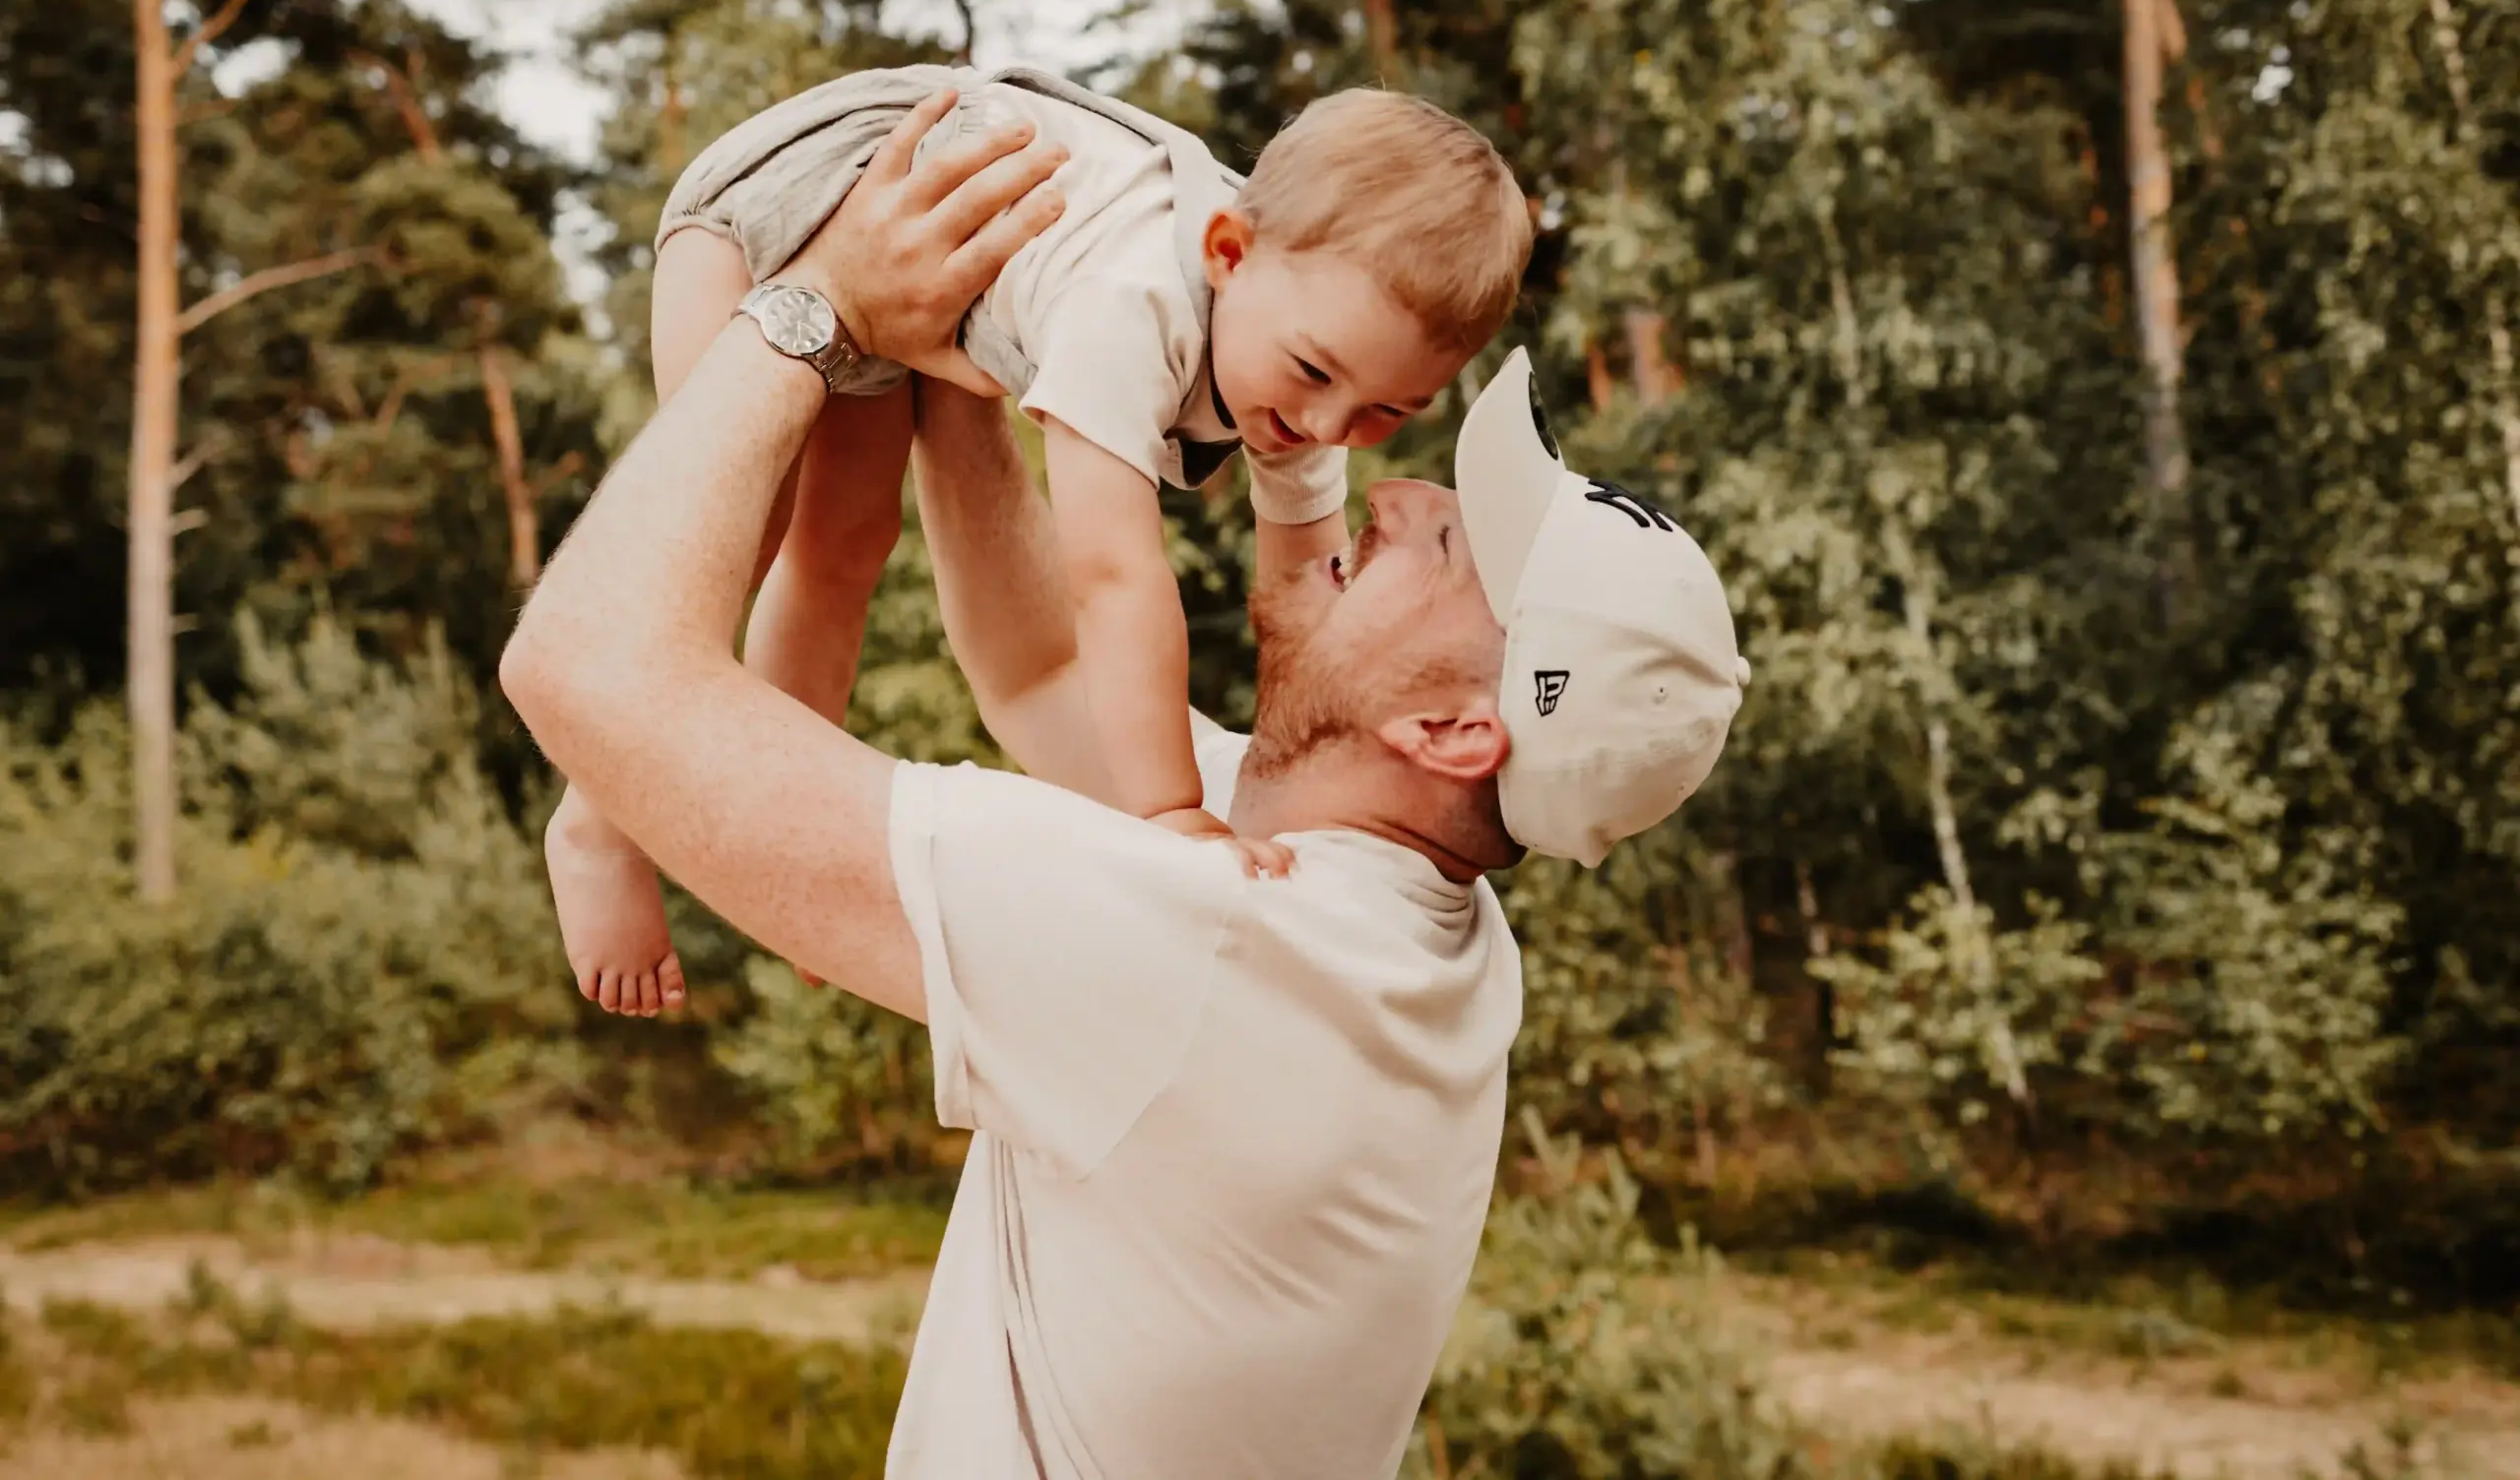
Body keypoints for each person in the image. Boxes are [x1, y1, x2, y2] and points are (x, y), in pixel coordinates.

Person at [499, 99, 1748, 1478]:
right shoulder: (1391, 926)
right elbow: (1040, 665)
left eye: (1443, 543)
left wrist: (818, 302)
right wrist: (976, 343)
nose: (1385, 490)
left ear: (1454, 727)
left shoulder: (1218, 931)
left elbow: (580, 664)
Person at [546, 72, 1536, 1017]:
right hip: (794, 199)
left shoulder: (1305, 339)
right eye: (1316, 376)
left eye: (1388, 414)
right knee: (735, 531)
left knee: (843, 549)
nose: (1328, 428)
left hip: (910, 276)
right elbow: (1110, 575)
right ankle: (598, 823)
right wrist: (1169, 813)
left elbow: (1300, 599)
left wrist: (1289, 747)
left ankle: (769, 863)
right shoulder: (1134, 302)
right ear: (1227, 254)